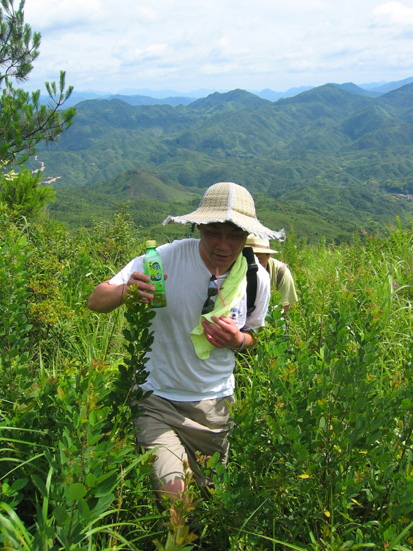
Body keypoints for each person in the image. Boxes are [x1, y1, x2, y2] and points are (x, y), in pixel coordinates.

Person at [88, 182, 285, 502]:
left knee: (206, 505)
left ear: (247, 236)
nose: (223, 244)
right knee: (176, 498)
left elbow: (254, 335)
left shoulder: (254, 277)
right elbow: (96, 300)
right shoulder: (164, 259)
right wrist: (127, 291)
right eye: (213, 232)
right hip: (157, 400)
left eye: (234, 234)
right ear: (198, 227)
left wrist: (237, 340)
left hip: (214, 408)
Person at [245, 235, 298, 314]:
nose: (254, 264)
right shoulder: (231, 267)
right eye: (249, 259)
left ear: (268, 256)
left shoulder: (281, 273)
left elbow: (283, 312)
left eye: (259, 259)